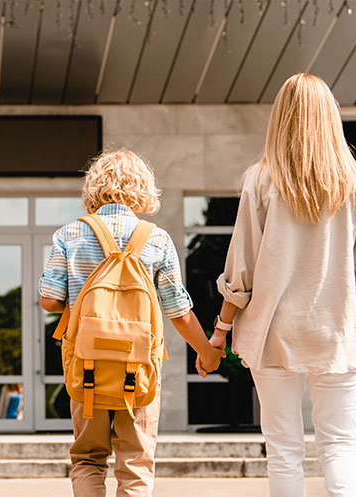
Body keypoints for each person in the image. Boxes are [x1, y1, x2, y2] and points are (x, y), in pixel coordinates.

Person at [197, 74, 356, 497]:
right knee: (341, 443)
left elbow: (242, 264)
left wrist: (220, 332)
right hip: (336, 330)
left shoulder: (261, 180)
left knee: (283, 448)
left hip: (273, 331)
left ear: (282, 117)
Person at [39, 148, 224, 497]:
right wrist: (208, 352)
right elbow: (179, 312)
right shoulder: (156, 238)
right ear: (143, 188)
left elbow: (49, 299)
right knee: (136, 462)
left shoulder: (70, 235)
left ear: (95, 187)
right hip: (138, 368)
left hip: (85, 364)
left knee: (88, 459)